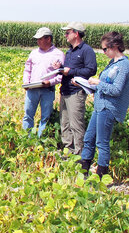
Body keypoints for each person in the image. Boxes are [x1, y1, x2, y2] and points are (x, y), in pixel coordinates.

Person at [78, 32, 129, 177]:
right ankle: (83, 172)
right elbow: (105, 86)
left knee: (102, 142)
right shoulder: (112, 64)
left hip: (109, 108)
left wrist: (99, 83)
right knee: (89, 138)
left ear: (115, 46)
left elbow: (116, 90)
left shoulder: (124, 65)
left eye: (105, 49)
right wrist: (86, 84)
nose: (104, 52)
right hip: (100, 106)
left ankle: (101, 177)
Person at [53, 22, 97, 155]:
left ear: (76, 33)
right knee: (64, 124)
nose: (65, 35)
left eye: (68, 32)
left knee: (76, 125)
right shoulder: (70, 50)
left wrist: (70, 71)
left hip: (76, 92)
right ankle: (68, 151)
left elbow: (91, 70)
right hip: (65, 90)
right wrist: (60, 67)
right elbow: (68, 70)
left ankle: (80, 154)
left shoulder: (86, 50)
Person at [22, 27, 64, 137]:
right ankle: (27, 138)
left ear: (48, 39)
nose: (38, 41)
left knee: (45, 117)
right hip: (32, 89)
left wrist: (50, 82)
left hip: (48, 90)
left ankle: (41, 139)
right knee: (28, 115)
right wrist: (26, 81)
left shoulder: (58, 54)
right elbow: (27, 69)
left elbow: (61, 75)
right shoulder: (34, 53)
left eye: (40, 39)